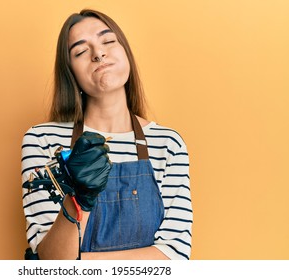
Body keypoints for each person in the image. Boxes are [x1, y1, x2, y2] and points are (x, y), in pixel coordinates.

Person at [21, 9, 192, 260]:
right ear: (71, 74)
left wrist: (80, 264)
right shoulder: (42, 141)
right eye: (80, 51)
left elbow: (175, 255)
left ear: (126, 54)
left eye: (108, 41)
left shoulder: (168, 144)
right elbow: (50, 262)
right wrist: (79, 199)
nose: (98, 53)